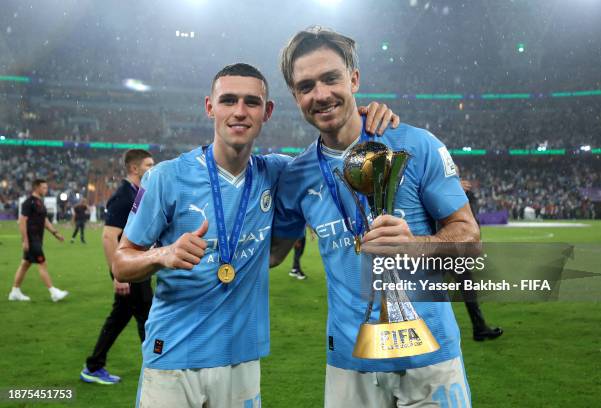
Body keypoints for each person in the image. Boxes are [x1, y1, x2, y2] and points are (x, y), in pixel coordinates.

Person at [112, 63, 398, 407]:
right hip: (173, 357)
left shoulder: (280, 172)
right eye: (228, 100)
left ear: (267, 112)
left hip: (242, 361)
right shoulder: (166, 177)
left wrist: (365, 117)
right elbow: (121, 261)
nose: (239, 112)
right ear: (209, 107)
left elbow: (333, 152)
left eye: (252, 102)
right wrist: (162, 254)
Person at [271, 27, 480, 407]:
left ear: (354, 79)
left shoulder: (416, 144)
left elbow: (469, 238)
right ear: (294, 96)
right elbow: (271, 254)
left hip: (430, 358)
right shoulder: (296, 176)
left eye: (331, 78)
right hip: (351, 364)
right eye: (306, 86)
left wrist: (415, 246)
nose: (320, 94)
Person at [80, 149, 155, 385]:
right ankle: (154, 365)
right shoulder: (123, 196)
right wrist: (118, 275)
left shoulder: (137, 193)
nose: (153, 169)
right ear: (134, 168)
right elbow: (108, 237)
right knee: (146, 317)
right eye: (149, 165)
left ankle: (94, 365)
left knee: (127, 317)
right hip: (128, 271)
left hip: (136, 266)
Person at [456, 174, 503, 341]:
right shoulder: (443, 189)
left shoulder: (463, 193)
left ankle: (479, 327)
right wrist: (453, 189)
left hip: (454, 248)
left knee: (467, 286)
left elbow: (471, 219)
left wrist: (476, 239)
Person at [8, 179, 68, 302]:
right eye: (44, 187)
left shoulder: (40, 202)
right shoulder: (28, 203)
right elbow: (22, 221)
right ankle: (53, 292)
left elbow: (44, 220)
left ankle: (14, 291)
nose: (46, 190)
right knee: (42, 264)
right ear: (36, 188)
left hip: (37, 239)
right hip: (31, 239)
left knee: (25, 264)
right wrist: (25, 240)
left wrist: (55, 233)